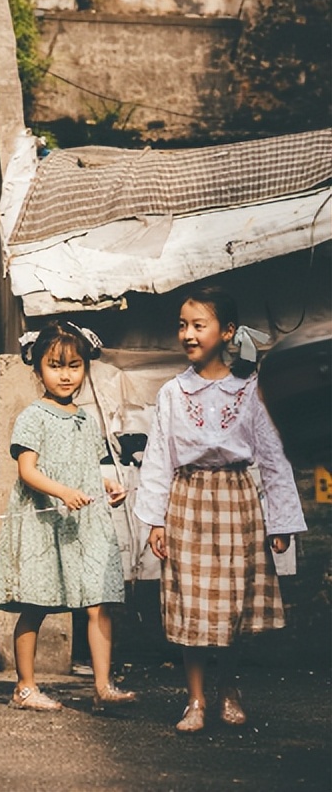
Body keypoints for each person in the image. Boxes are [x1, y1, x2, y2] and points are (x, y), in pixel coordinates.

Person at [133, 287, 307, 733]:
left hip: (236, 502)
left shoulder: (249, 390)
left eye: (198, 325)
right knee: (193, 604)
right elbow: (158, 456)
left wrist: (280, 523)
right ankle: (195, 700)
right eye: (182, 325)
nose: (188, 334)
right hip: (187, 502)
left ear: (227, 332)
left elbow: (272, 455)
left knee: (229, 605)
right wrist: (154, 519)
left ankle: (229, 689)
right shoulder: (173, 392)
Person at [0, 321, 136, 712]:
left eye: (74, 365)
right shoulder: (33, 416)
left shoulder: (87, 420)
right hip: (44, 519)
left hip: (84, 523)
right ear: (37, 369)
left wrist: (108, 486)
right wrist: (63, 492)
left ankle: (103, 686)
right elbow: (28, 471)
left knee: (98, 601)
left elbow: (91, 465)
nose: (66, 374)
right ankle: (25, 686)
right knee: (35, 604)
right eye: (55, 365)